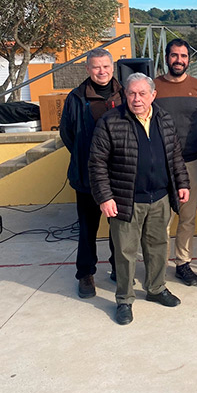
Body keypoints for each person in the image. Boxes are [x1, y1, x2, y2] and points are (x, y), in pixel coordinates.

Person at [88, 73, 190, 325]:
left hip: (160, 197)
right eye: (131, 93)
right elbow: (97, 163)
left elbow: (175, 154)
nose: (136, 99)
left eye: (142, 93)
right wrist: (105, 197)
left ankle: (156, 288)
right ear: (125, 95)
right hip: (126, 199)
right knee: (125, 252)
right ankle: (124, 299)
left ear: (153, 95)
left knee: (157, 247)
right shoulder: (111, 121)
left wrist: (182, 183)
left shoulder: (164, 118)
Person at [59, 48, 122, 299]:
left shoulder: (125, 94)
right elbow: (68, 134)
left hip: (119, 177)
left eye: (106, 66)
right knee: (87, 230)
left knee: (119, 228)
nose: (101, 71)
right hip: (86, 178)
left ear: (112, 67)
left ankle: (119, 268)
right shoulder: (75, 97)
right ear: (87, 69)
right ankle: (85, 274)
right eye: (96, 67)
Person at [153, 39, 197, 287]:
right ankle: (157, 266)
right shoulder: (153, 86)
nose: (179, 60)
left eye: (184, 56)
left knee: (187, 218)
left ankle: (183, 263)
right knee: (161, 219)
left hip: (192, 163)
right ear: (167, 58)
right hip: (159, 165)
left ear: (189, 59)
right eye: (174, 55)